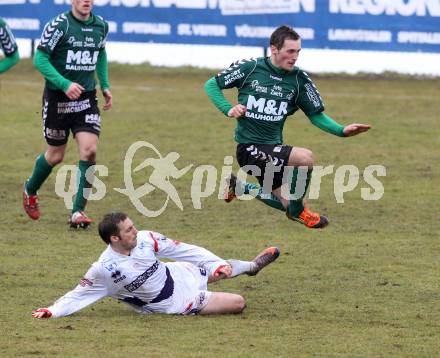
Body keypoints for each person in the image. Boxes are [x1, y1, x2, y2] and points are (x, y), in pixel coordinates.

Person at [205, 25, 371, 229]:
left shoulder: (299, 80)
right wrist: (228, 108)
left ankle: (241, 188)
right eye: (290, 51)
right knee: (305, 158)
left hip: (273, 148)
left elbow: (315, 114)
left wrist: (341, 130)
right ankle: (298, 212)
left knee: (289, 203)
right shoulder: (250, 68)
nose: (295, 57)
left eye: (298, 52)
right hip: (249, 148)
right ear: (274, 49)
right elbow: (211, 85)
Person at [32, 212, 280, 318]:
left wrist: (214, 263)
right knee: (238, 302)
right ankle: (241, 269)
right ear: (114, 239)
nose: (135, 231)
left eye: (133, 225)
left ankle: (251, 266)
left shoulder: (146, 239)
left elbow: (185, 250)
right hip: (172, 303)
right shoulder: (104, 269)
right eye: (129, 230)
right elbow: (78, 294)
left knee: (219, 269)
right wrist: (52, 311)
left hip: (174, 273)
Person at [22, 0, 112, 228]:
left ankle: (77, 212)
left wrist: (105, 84)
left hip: (86, 99)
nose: (86, 1)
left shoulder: (101, 26)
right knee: (55, 155)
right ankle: (30, 189)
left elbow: (100, 53)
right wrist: (64, 84)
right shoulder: (59, 25)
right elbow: (39, 59)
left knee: (90, 151)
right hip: (58, 100)